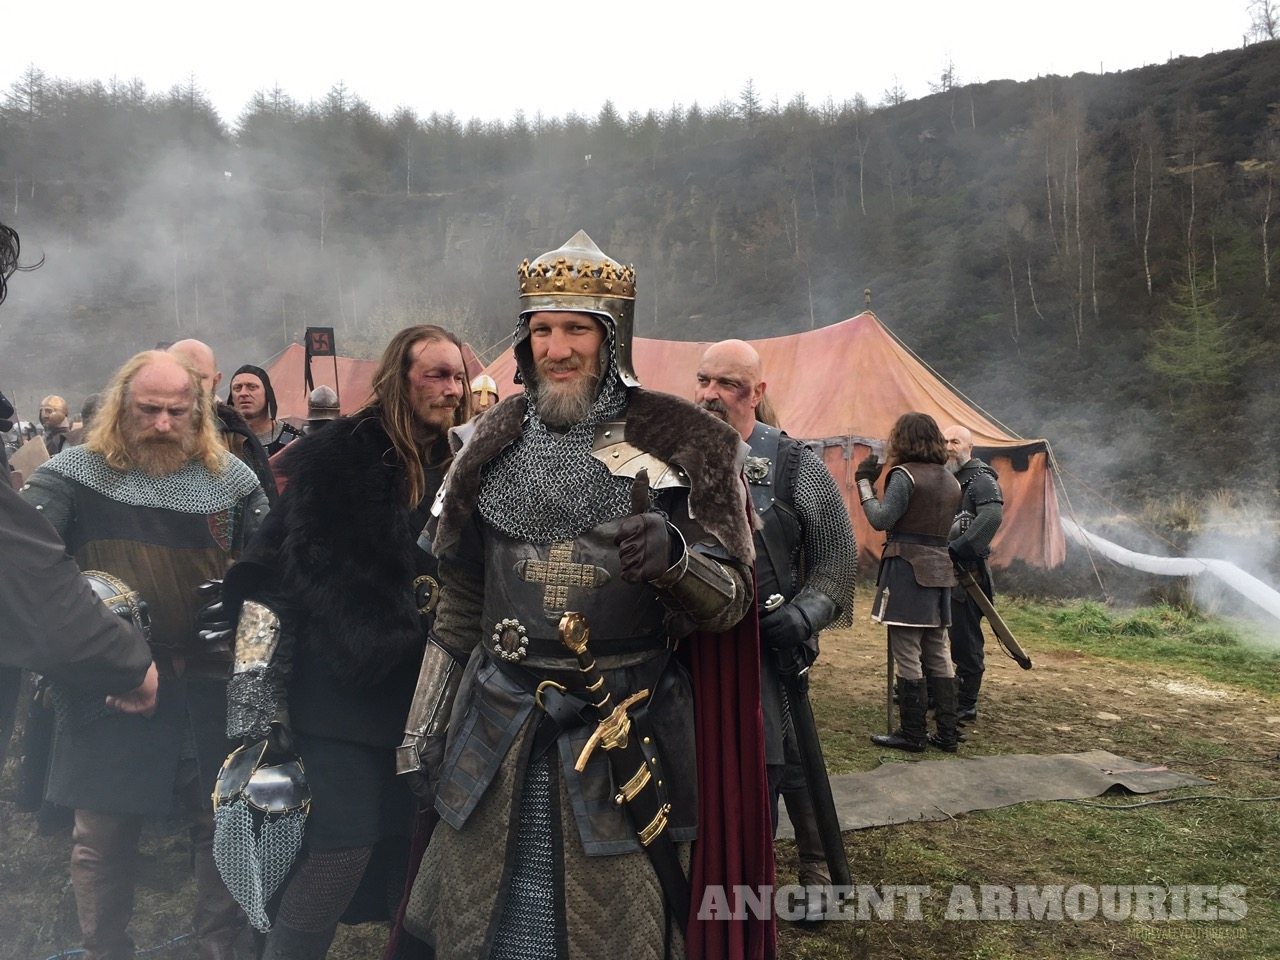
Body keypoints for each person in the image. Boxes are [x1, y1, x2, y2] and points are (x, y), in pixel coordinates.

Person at [400, 231, 774, 960]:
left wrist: (676, 561)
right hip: (496, 722)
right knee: (481, 927)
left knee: (617, 929)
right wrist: (421, 731)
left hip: (627, 726)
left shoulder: (686, 441)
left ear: (612, 337)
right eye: (543, 330)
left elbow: (732, 604)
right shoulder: (486, 441)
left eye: (577, 328)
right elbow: (460, 607)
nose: (558, 348)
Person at [221, 325, 471, 958]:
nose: (452, 389)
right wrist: (255, 691)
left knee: (418, 859)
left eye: (458, 377)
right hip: (342, 691)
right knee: (341, 849)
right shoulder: (337, 459)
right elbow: (267, 576)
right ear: (398, 380)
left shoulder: (475, 463)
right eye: (436, 375)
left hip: (438, 697)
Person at [20, 349, 268, 960]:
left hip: (210, 677)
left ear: (198, 413)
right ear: (120, 406)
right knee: (101, 836)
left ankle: (220, 950)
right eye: (148, 410)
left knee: (223, 825)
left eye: (176, 412)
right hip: (109, 681)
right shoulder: (70, 475)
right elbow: (33, 577)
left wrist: (255, 660)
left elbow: (269, 577)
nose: (162, 424)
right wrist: (89, 658)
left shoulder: (233, 482)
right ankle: (105, 950)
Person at [694, 338, 856, 921]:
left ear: (757, 392)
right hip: (696, 644)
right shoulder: (675, 460)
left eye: (728, 384)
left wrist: (805, 615)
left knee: (785, 751)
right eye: (704, 381)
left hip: (770, 642)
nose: (711, 395)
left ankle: (812, 866)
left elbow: (837, 561)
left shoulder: (792, 463)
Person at [856, 412, 962, 753]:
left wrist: (863, 483)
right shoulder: (951, 480)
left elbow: (881, 519)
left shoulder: (905, 475)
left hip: (907, 569)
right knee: (937, 650)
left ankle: (913, 734)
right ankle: (947, 733)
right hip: (940, 570)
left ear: (904, 439)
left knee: (907, 651)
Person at [943, 425, 1004, 724]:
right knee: (936, 636)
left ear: (970, 447)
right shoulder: (946, 476)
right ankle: (937, 692)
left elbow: (991, 518)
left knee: (965, 640)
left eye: (955, 441)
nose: (948, 446)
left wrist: (957, 549)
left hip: (967, 576)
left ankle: (966, 702)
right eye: (944, 441)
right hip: (940, 572)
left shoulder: (981, 479)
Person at [169, 338, 278, 503]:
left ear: (215, 380)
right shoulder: (135, 434)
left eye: (200, 377)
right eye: (180, 375)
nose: (190, 386)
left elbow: (260, 507)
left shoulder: (237, 438)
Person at [227, 364, 301, 456]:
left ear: (267, 393)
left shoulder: (295, 441)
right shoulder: (219, 441)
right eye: (237, 388)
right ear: (232, 398)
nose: (243, 393)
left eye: (252, 387)